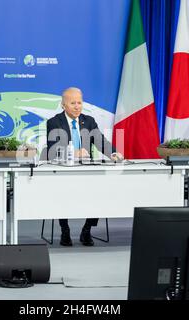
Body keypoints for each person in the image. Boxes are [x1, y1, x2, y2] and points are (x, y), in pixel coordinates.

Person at [46, 87, 123, 246]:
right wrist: (74, 153)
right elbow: (53, 150)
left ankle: (87, 229)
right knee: (62, 194)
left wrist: (113, 153)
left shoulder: (88, 121)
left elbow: (100, 141)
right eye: (72, 103)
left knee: (99, 193)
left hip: (88, 170)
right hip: (64, 172)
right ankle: (64, 230)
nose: (77, 106)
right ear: (63, 105)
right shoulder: (54, 122)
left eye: (79, 102)